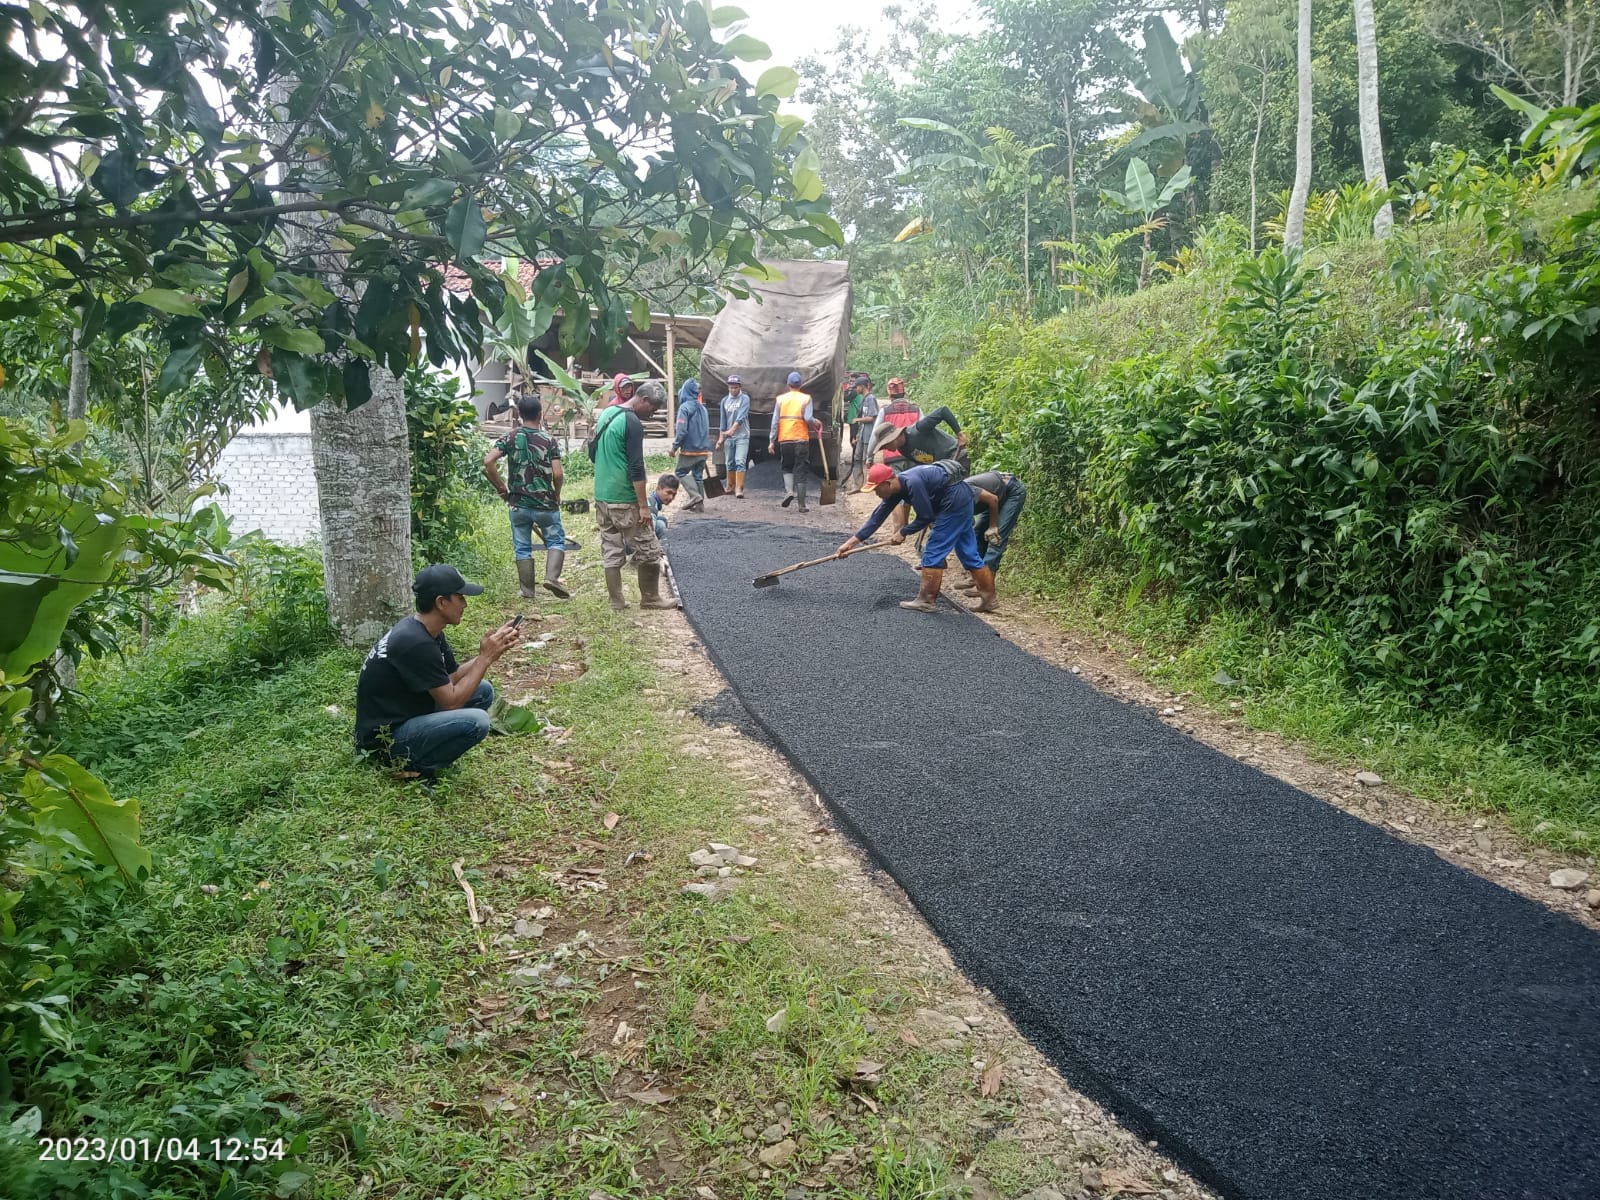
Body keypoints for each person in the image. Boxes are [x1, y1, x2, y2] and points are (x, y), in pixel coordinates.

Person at [354, 564, 521, 778]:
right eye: (460, 597)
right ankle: (417, 767)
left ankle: (426, 748)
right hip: (385, 742)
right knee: (477, 722)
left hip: (410, 712)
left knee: (483, 690)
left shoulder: (426, 630)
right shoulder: (415, 643)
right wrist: (485, 659)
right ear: (441, 602)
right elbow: (451, 702)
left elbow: (451, 677)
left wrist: (489, 652)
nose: (465, 604)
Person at [835, 461, 998, 613]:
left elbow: (926, 517)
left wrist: (903, 532)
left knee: (934, 550)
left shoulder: (913, 483)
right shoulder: (897, 489)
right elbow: (876, 518)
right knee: (968, 552)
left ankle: (926, 600)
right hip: (962, 498)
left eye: (877, 489)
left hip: (954, 501)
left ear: (888, 483)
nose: (876, 494)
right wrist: (850, 543)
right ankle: (989, 599)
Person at [588, 379, 676, 610]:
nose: (653, 414)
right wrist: (643, 506)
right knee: (649, 549)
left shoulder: (608, 413)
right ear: (643, 399)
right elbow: (636, 467)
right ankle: (650, 598)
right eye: (653, 408)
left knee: (611, 548)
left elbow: (592, 453)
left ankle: (616, 601)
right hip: (623, 498)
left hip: (602, 496)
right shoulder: (632, 422)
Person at [482, 394, 570, 601]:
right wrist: (556, 495)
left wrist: (501, 486)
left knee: (522, 547)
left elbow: (488, 461)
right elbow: (558, 474)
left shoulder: (510, 437)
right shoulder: (549, 440)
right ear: (540, 415)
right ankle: (552, 578)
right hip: (545, 504)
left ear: (519, 415)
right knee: (556, 540)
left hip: (518, 504)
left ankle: (527, 590)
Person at [957, 469, 1027, 593]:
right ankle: (977, 578)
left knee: (995, 538)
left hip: (1011, 492)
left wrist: (993, 526)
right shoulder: (952, 501)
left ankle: (985, 587)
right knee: (977, 534)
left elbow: (993, 499)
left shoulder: (965, 490)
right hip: (993, 498)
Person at [768, 370, 819, 512]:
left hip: (785, 438)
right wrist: (815, 422)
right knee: (801, 469)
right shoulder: (806, 398)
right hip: (801, 438)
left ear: (788, 384)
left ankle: (789, 491)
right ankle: (802, 505)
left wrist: (771, 440)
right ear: (800, 384)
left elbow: (775, 421)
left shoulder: (781, 399)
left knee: (787, 466)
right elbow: (808, 418)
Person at [868, 401, 969, 473]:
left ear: (893, 438)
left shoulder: (919, 429)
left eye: (885, 445)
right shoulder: (902, 449)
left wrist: (959, 434)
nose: (886, 449)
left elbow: (943, 411)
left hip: (957, 454)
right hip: (944, 465)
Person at [671, 378, 711, 511]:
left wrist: (674, 447)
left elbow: (681, 431)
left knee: (680, 472)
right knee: (698, 476)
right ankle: (700, 505)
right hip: (703, 450)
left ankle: (694, 495)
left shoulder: (684, 408)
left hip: (690, 450)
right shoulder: (703, 408)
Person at [716, 374, 750, 498]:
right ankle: (730, 486)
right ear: (728, 387)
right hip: (728, 438)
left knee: (740, 461)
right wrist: (720, 439)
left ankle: (739, 488)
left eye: (735, 387)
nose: (733, 390)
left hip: (742, 436)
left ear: (740, 387)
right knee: (729, 462)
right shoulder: (724, 401)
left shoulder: (745, 399)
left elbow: (741, 417)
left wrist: (732, 430)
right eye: (731, 387)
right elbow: (723, 421)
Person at [874, 378, 921, 469]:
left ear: (889, 394)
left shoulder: (885, 411)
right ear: (904, 393)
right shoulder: (916, 409)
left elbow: (875, 435)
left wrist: (869, 456)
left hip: (892, 458)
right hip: (914, 456)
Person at [846, 375, 878, 479]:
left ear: (862, 387)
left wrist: (857, 420)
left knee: (867, 460)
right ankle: (858, 483)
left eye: (857, 387)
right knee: (857, 458)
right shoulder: (864, 399)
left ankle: (868, 481)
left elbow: (872, 417)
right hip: (862, 436)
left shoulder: (871, 399)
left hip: (869, 436)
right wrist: (857, 437)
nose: (855, 389)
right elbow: (862, 422)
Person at [648, 473, 678, 539]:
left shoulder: (653, 499)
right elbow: (649, 531)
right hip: (632, 538)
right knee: (660, 525)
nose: (671, 497)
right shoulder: (652, 506)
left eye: (674, 494)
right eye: (668, 492)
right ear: (658, 489)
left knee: (662, 519)